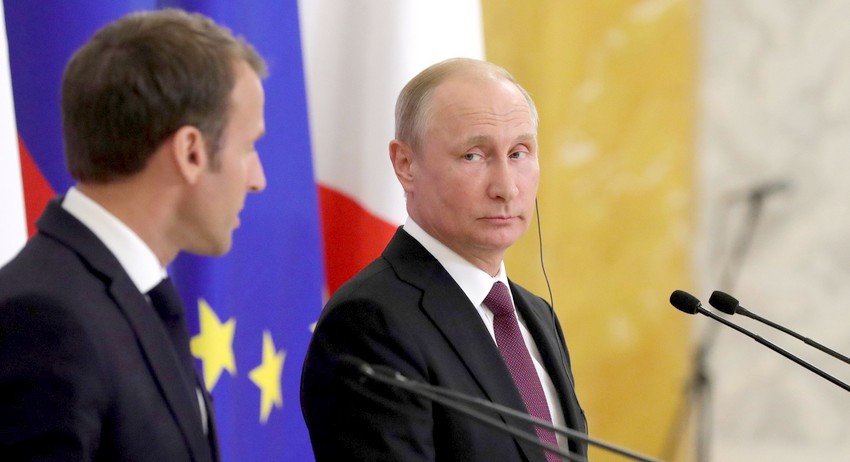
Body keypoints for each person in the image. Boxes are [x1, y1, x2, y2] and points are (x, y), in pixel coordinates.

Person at [0, 8, 267, 461]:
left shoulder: (135, 295)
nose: (257, 179)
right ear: (191, 152)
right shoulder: (45, 321)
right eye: (249, 147)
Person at [301, 58, 587, 461]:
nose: (506, 188)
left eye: (519, 153)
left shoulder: (536, 315)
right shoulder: (370, 322)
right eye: (474, 155)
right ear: (405, 165)